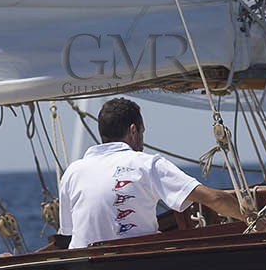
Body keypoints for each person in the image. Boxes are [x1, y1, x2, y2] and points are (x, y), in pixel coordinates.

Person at [51, 97, 253, 250]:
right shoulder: (146, 164)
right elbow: (214, 199)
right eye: (142, 132)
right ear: (133, 130)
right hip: (133, 267)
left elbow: (68, 233)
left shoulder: (73, 172)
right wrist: (255, 221)